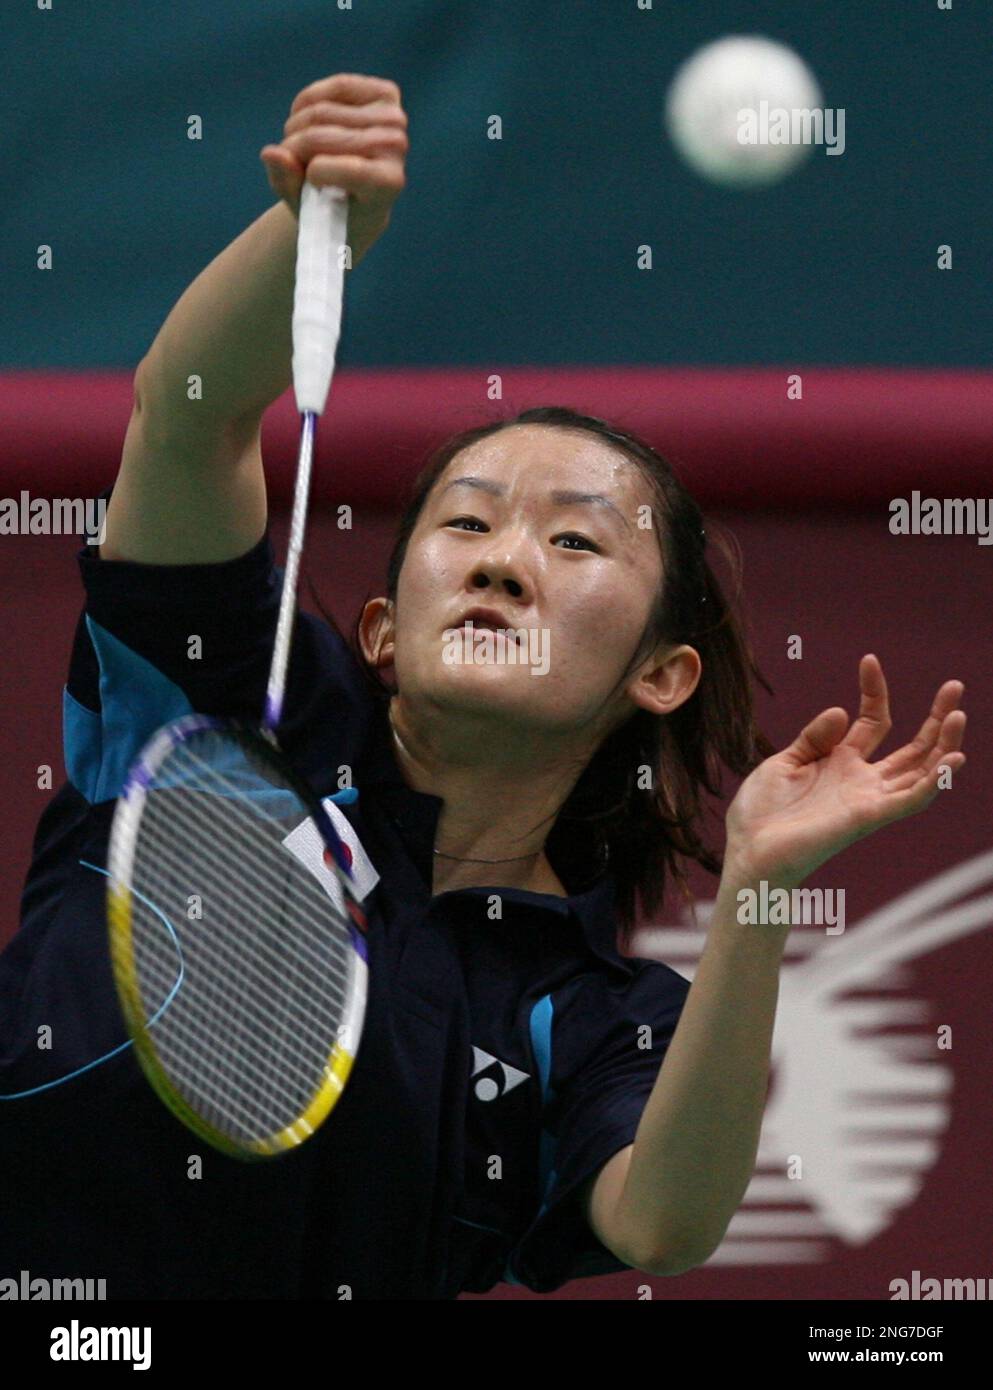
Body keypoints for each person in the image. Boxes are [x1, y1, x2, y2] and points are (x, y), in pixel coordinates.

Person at [0, 74, 967, 1301]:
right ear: (383, 632)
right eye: (467, 525)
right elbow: (184, 418)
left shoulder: (592, 1012)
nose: (507, 561)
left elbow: (663, 1222)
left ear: (662, 674)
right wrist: (317, 229)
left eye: (574, 545)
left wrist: (762, 891)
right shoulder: (237, 711)